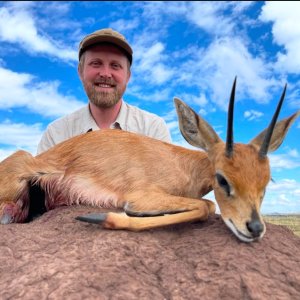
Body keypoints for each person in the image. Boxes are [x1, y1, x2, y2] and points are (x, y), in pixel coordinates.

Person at [37, 28, 172, 154]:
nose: (106, 74)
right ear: (80, 71)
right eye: (96, 63)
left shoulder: (152, 130)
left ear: (128, 76)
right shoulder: (56, 135)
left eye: (115, 65)